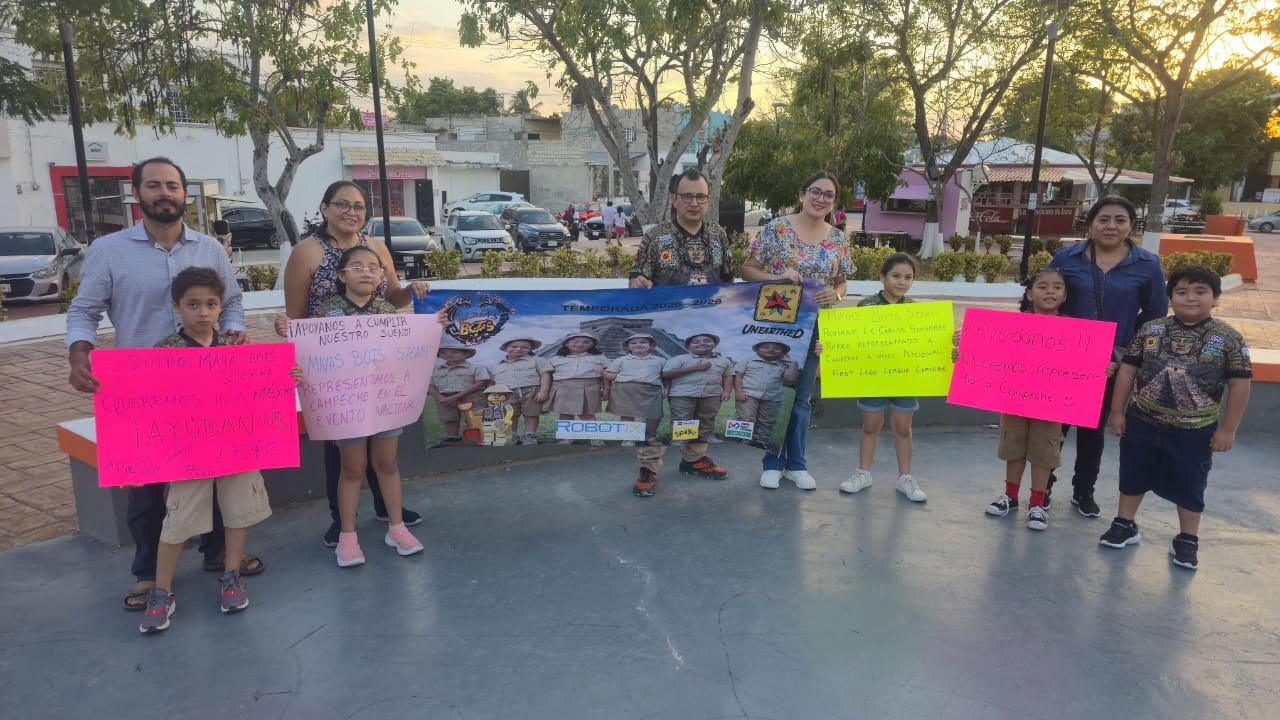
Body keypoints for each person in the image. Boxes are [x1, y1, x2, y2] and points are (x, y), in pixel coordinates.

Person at [66, 157, 265, 612]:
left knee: (217, 468)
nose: (165, 193)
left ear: (184, 193)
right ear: (137, 193)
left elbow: (233, 302)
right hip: (143, 388)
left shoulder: (210, 248)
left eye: (172, 185)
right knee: (147, 486)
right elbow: (84, 310)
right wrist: (79, 353)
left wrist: (234, 331)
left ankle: (218, 552)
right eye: (154, 185)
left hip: (209, 385)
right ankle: (148, 573)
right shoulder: (109, 250)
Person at [275, 180, 430, 547]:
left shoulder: (376, 247)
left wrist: (412, 290)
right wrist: (292, 340)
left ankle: (387, 508)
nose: (351, 212)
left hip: (376, 362)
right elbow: (297, 316)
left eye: (359, 206)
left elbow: (392, 296)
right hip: (332, 368)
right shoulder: (306, 252)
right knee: (342, 450)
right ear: (325, 208)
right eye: (342, 204)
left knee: (381, 434)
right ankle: (341, 521)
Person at [138, 267, 290, 633]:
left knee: (238, 513)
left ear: (221, 306)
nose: (203, 312)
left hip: (236, 449)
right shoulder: (165, 351)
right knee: (177, 521)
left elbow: (256, 391)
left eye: (211, 304)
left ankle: (231, 575)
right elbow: (148, 404)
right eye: (193, 304)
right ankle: (161, 590)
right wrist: (139, 460)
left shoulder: (233, 348)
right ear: (176, 306)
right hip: (188, 456)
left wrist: (285, 378)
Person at [1100, 265, 1252, 570]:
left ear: (1216, 298)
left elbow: (1240, 384)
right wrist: (1117, 412)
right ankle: (1124, 523)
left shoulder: (1229, 338)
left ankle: (1187, 538)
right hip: (1141, 422)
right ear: (1171, 298)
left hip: (1195, 431)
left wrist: (1228, 429)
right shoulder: (1151, 330)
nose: (1190, 298)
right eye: (1181, 292)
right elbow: (1128, 370)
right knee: (1132, 473)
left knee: (1190, 482)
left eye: (1200, 291)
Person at [1049, 196, 1167, 517]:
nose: (1111, 226)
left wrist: (1130, 352)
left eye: (1120, 220)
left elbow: (1155, 314)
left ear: (1131, 226)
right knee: (1053, 428)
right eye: (1103, 219)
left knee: (1092, 430)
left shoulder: (1147, 264)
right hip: (1064, 358)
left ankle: (1083, 491)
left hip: (1111, 363)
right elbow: (1045, 296)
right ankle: (1042, 487)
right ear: (1090, 225)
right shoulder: (1065, 258)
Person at [312, 245, 425, 566]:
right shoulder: (325, 313)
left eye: (374, 267)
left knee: (387, 464)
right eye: (358, 267)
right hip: (346, 403)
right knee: (352, 469)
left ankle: (397, 528)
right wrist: (286, 331)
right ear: (341, 275)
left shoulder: (388, 312)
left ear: (381, 276)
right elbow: (310, 352)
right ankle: (347, 536)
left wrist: (435, 326)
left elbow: (404, 350)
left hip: (385, 400)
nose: (367, 272)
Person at [628, 168, 736, 497]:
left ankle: (694, 457)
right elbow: (637, 276)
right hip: (668, 335)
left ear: (709, 200)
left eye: (700, 197)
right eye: (687, 196)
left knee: (702, 396)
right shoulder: (656, 237)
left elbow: (729, 282)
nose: (694, 203)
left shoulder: (718, 235)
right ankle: (648, 466)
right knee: (661, 402)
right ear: (674, 199)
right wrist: (637, 282)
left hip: (705, 333)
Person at [741, 171, 851, 491]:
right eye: (815, 191)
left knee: (802, 398)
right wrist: (776, 278)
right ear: (802, 193)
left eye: (828, 195)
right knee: (777, 393)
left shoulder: (838, 239)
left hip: (816, 327)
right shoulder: (776, 229)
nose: (820, 199)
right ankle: (772, 463)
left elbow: (842, 282)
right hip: (778, 323)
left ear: (834, 203)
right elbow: (747, 270)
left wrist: (837, 295)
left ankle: (797, 464)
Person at [984, 269, 1070, 531]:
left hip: (1051, 404)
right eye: (1042, 287)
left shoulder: (1076, 331)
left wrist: (1104, 368)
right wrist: (965, 347)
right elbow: (991, 352)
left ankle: (1037, 503)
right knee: (1014, 446)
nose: (1050, 292)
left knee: (1044, 451)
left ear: (1065, 295)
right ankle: (1010, 496)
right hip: (1015, 399)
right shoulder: (1013, 326)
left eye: (1057, 287)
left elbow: (1084, 366)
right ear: (1030, 294)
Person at [840, 253, 927, 502]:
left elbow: (927, 344)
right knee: (870, 426)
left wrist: (950, 342)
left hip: (904, 378)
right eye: (896, 276)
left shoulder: (916, 311)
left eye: (908, 277)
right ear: (882, 277)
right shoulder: (866, 306)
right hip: (873, 377)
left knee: (903, 428)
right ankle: (863, 473)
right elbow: (851, 339)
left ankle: (905, 478)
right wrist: (829, 347)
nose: (901, 282)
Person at [661, 333, 734, 459]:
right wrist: (695, 368)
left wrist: (727, 391)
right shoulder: (680, 359)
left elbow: (727, 376)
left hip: (712, 393)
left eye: (707, 341)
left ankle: (706, 436)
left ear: (715, 344)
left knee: (708, 417)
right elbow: (666, 374)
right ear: (688, 346)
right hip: (682, 394)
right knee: (683, 418)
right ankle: (682, 440)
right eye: (696, 342)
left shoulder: (724, 361)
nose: (702, 343)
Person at [602, 332, 667, 447]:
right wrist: (601, 373)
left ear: (650, 345)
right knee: (627, 414)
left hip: (651, 390)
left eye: (643, 342)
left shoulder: (660, 360)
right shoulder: (621, 360)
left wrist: (667, 387)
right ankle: (629, 438)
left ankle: (651, 436)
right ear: (628, 346)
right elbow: (611, 376)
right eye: (633, 343)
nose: (638, 345)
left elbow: (666, 376)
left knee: (654, 415)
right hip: (625, 389)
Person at [734, 341, 801, 449]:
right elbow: (738, 376)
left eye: (776, 348)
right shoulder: (748, 360)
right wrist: (739, 391)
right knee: (745, 417)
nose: (771, 349)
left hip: (773, 397)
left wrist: (794, 363)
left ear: (783, 352)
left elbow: (791, 379)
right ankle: (743, 438)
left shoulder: (784, 364)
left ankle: (761, 441)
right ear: (757, 349)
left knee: (767, 421)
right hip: (748, 394)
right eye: (765, 347)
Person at [489, 337, 552, 445]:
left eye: (524, 347)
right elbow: (492, 382)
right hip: (506, 393)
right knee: (510, 415)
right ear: (505, 348)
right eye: (513, 347)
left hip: (532, 391)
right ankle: (512, 436)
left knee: (531, 414)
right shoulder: (495, 365)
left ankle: (529, 436)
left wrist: (544, 391)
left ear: (530, 349)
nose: (518, 349)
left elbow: (545, 375)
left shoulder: (537, 360)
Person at [547, 331, 606, 447]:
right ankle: (566, 438)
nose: (580, 344)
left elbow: (606, 374)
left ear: (592, 344)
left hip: (588, 387)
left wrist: (606, 389)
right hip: (562, 388)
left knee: (587, 414)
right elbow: (547, 375)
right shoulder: (555, 359)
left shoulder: (599, 358)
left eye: (586, 342)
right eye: (575, 342)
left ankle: (595, 437)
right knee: (565, 414)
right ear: (566, 343)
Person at [429, 340, 493, 442]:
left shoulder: (476, 368)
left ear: (466, 354)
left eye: (454, 352)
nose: (448, 355)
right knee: (449, 417)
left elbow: (481, 383)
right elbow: (431, 386)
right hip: (444, 396)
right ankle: (453, 437)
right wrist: (440, 398)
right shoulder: (435, 370)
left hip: (471, 395)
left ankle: (478, 437)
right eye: (444, 352)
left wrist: (456, 397)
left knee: (473, 415)